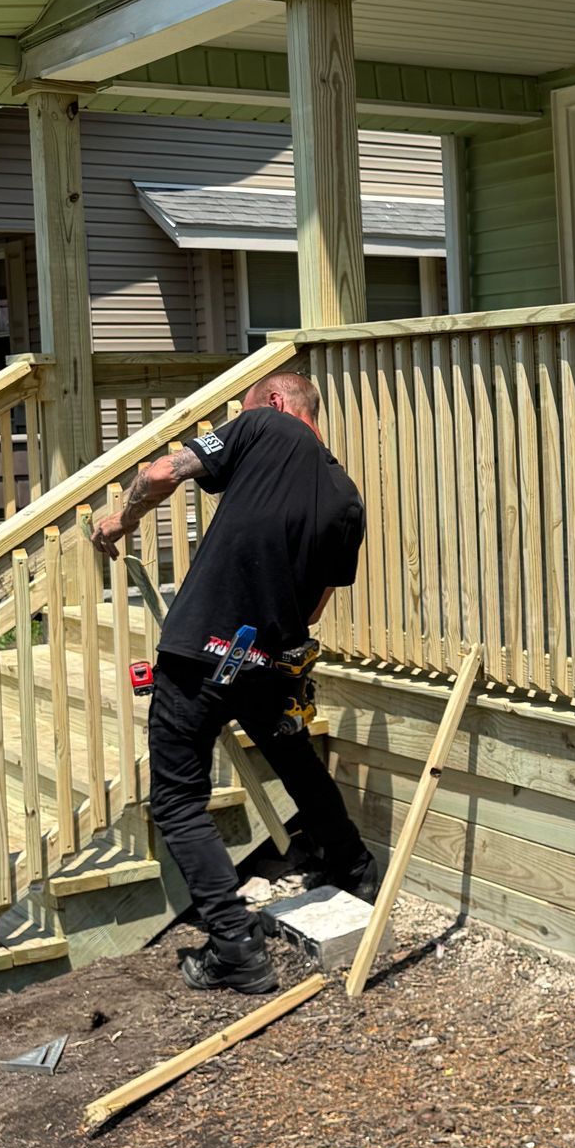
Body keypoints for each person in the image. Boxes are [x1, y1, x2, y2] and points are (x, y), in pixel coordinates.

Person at [91, 372, 377, 995]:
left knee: (175, 799)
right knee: (291, 755)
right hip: (268, 657)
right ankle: (354, 868)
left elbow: (163, 472)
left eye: (243, 408)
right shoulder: (346, 498)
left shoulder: (263, 424)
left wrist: (123, 519)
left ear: (275, 403)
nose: (240, 416)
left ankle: (233, 946)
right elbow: (314, 610)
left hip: (204, 651)